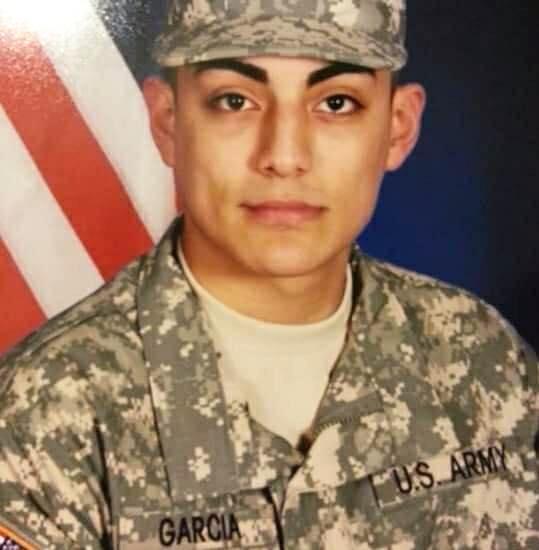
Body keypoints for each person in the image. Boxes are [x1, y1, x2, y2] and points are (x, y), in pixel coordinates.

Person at [0, 0, 537, 548]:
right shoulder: (44, 412)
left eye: (336, 103)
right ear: (167, 122)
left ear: (398, 128)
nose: (283, 155)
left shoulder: (482, 357)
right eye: (234, 101)